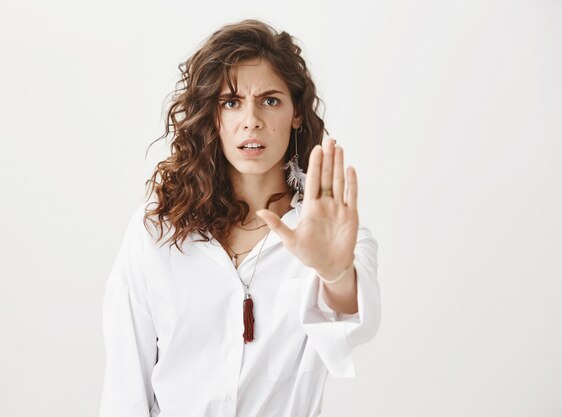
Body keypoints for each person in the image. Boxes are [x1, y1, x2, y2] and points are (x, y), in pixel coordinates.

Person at [99, 19, 380, 417]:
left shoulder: (330, 236)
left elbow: (353, 322)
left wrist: (334, 273)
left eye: (270, 100)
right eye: (231, 102)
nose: (252, 120)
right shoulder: (156, 232)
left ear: (296, 112)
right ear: (213, 116)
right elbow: (125, 392)